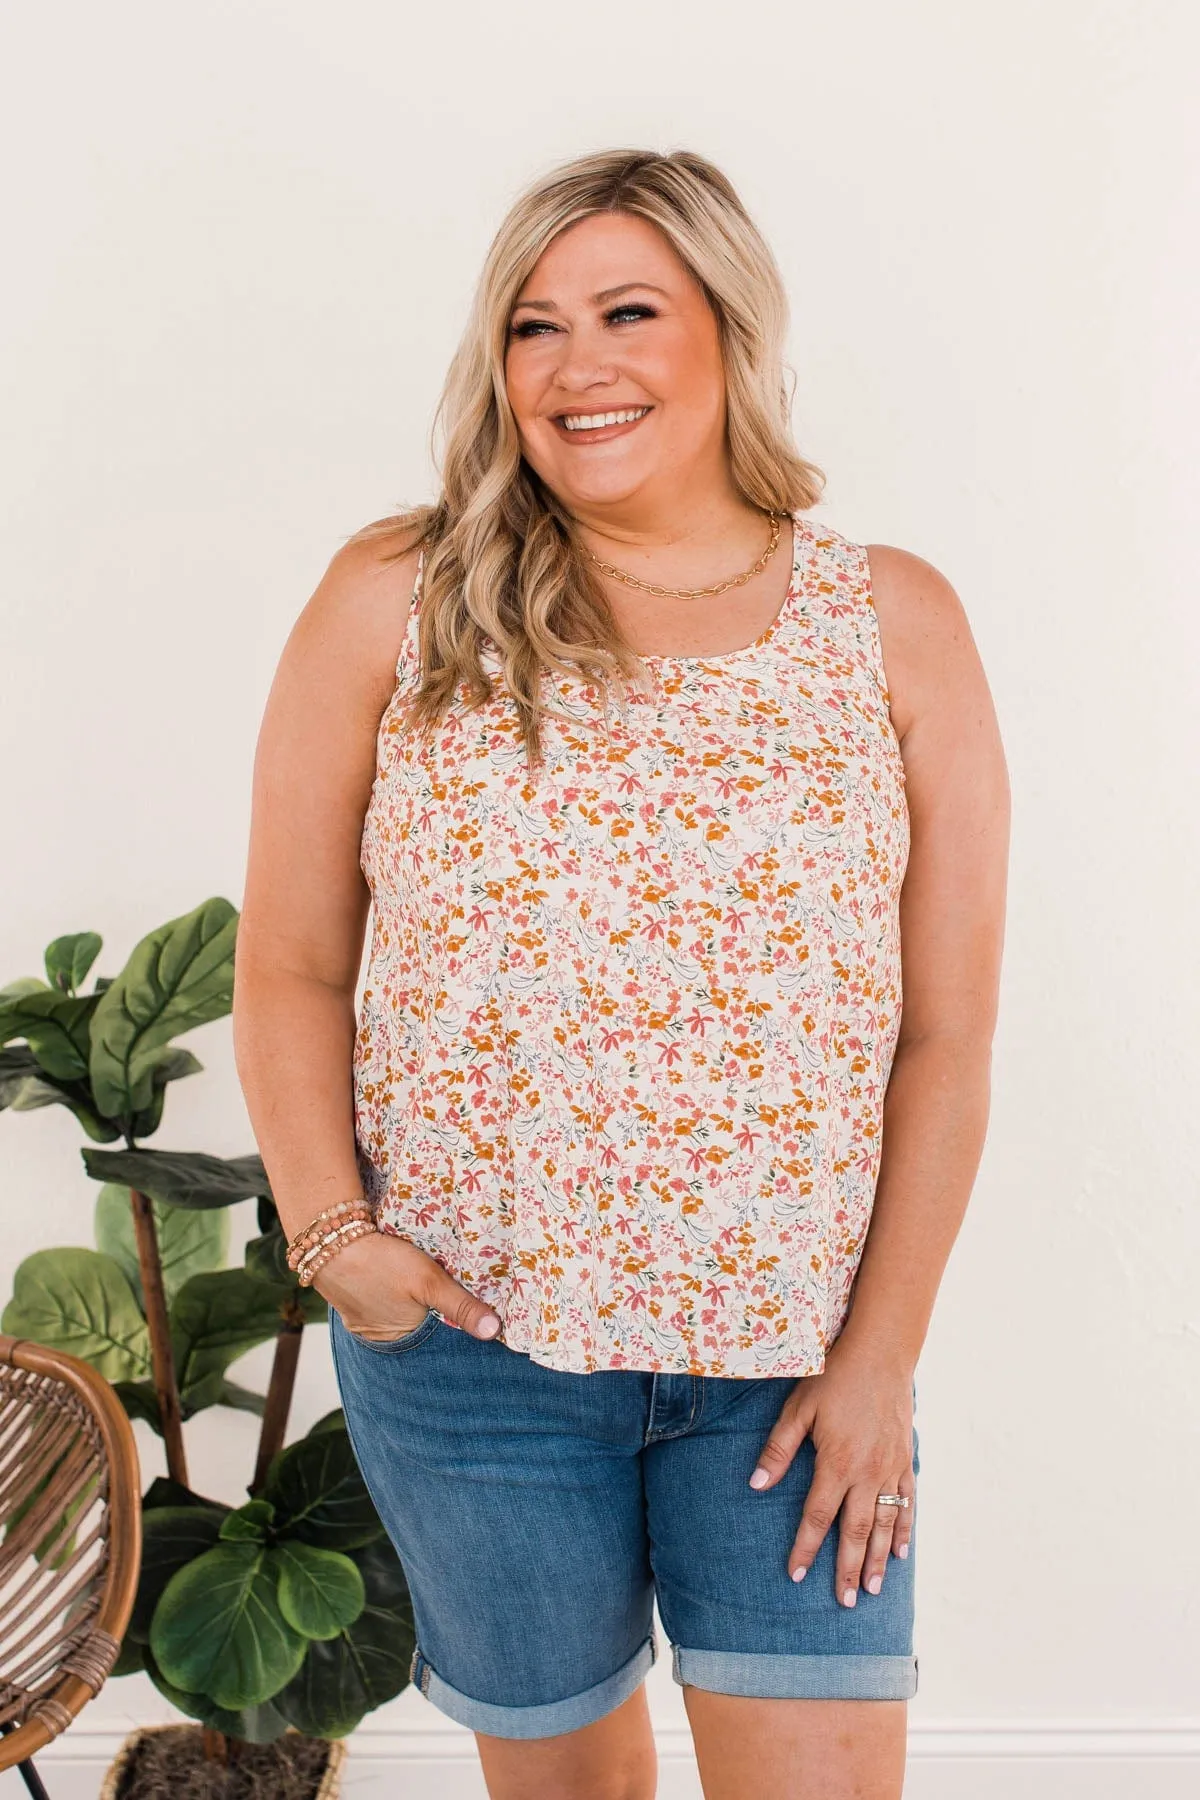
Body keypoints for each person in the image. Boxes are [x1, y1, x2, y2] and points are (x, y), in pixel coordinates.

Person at [233, 148, 1009, 1800]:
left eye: (627, 312)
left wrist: (880, 1361)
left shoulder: (893, 623)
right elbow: (291, 963)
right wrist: (336, 1242)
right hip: (472, 1361)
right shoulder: (403, 595)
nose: (574, 366)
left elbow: (945, 1036)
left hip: (793, 1377)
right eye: (532, 326)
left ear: (729, 331)